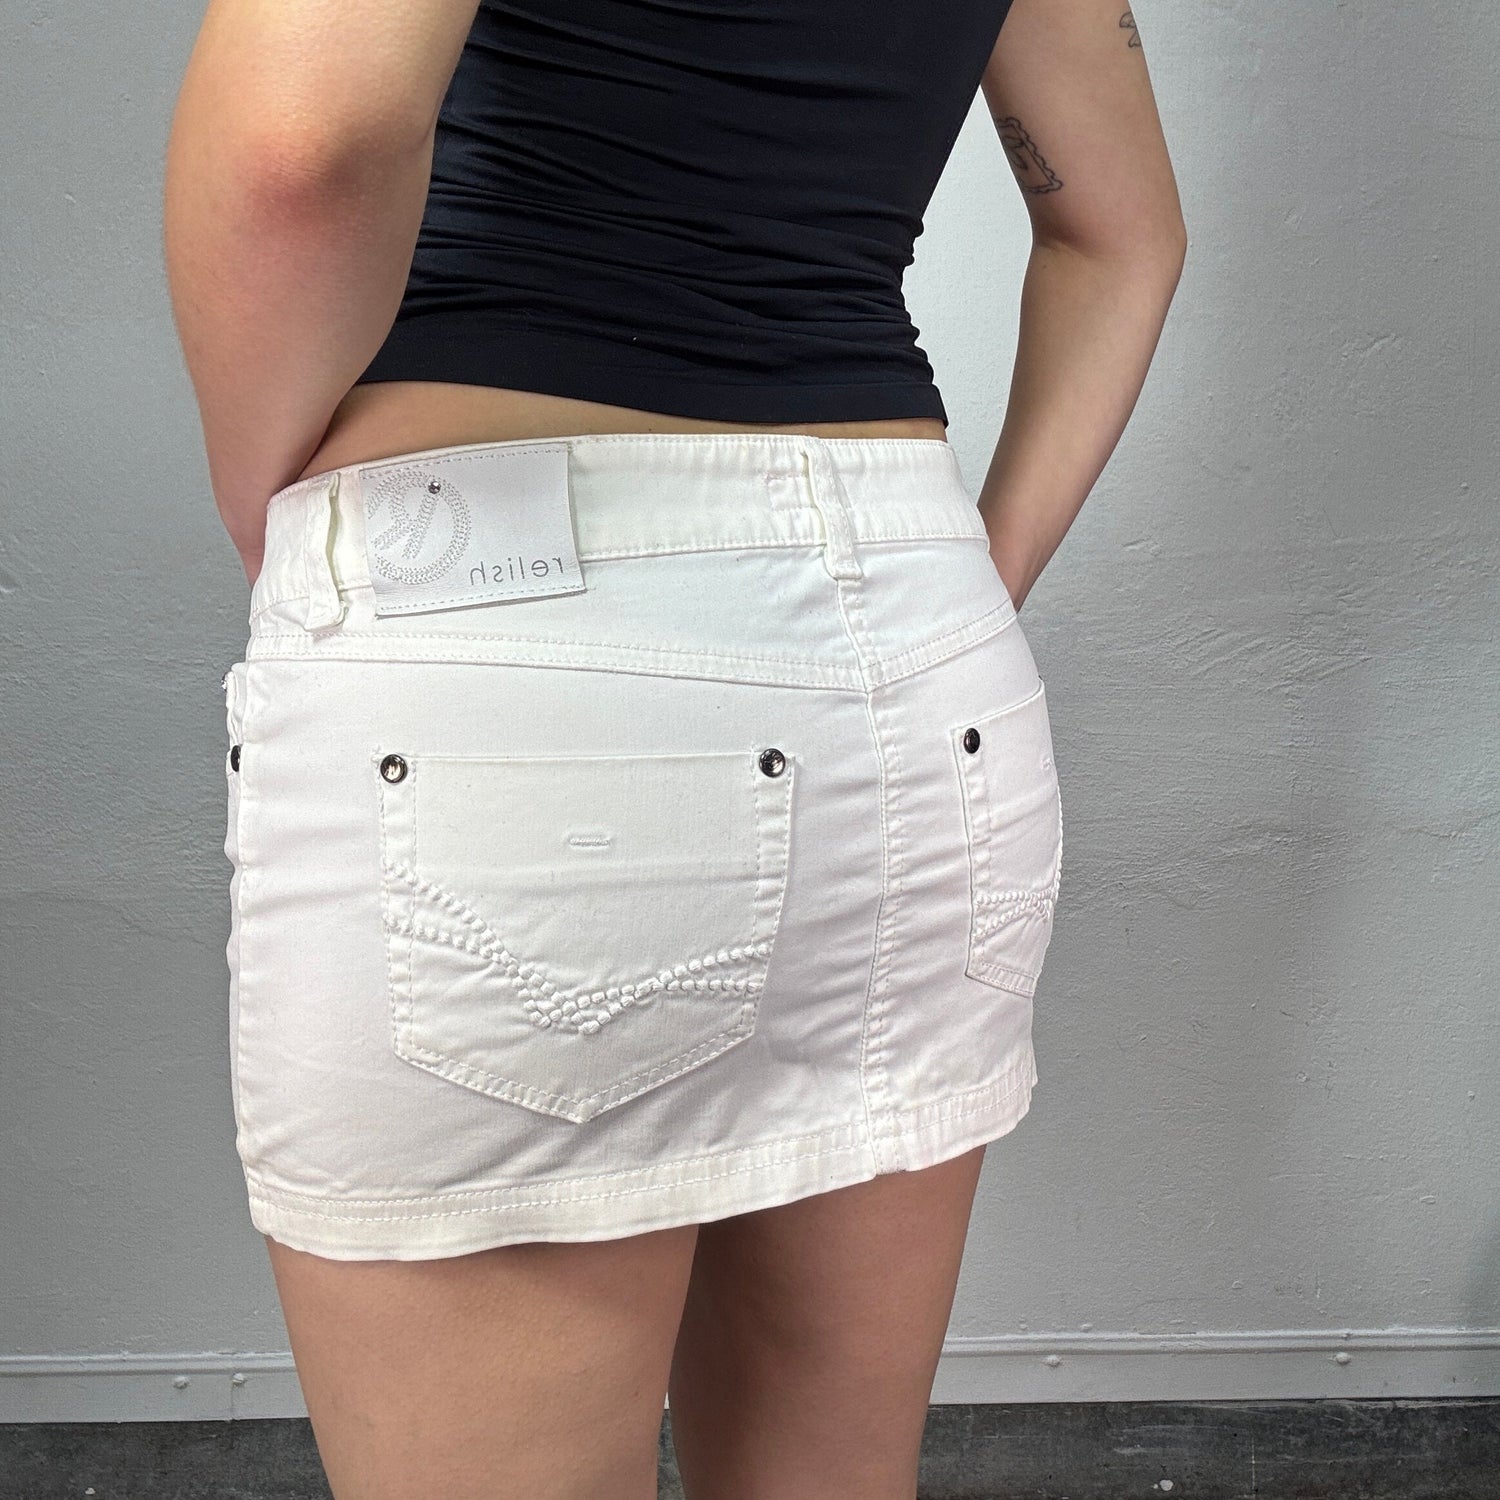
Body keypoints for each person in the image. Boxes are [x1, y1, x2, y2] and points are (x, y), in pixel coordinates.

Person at [163, 0, 1185, 1494]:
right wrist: (976, 575)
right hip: (921, 658)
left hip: (520, 667)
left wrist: (283, 502)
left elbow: (301, 147)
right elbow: (1124, 229)